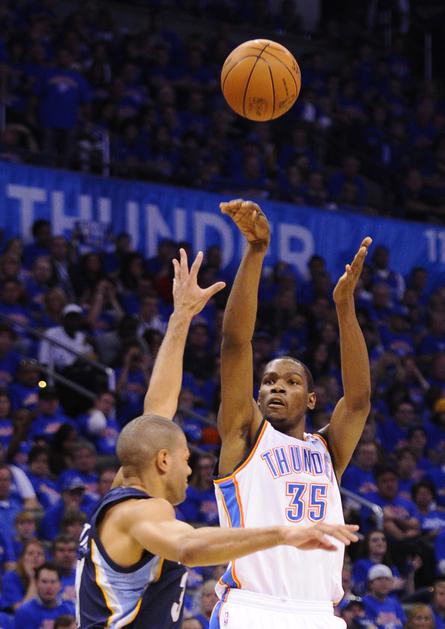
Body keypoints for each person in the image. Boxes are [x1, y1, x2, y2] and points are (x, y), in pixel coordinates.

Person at [76, 249, 359, 629]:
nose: (191, 469)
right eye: (186, 459)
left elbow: (156, 410)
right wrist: (283, 533)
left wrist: (180, 318)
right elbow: (189, 548)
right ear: (163, 460)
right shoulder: (140, 512)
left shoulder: (125, 486)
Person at [214, 199, 372, 628]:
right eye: (268, 381)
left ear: (312, 399)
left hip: (318, 612)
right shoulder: (244, 435)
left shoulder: (327, 450)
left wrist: (344, 307)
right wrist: (256, 252)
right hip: (252, 608)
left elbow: (359, 400)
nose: (277, 387)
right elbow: (235, 344)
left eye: (291, 381)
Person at [13, 562, 75, 629]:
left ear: (60, 585)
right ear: (36, 583)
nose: (49, 587)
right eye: (44, 581)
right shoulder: (24, 612)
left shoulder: (70, 611)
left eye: (53, 582)